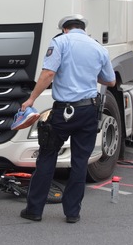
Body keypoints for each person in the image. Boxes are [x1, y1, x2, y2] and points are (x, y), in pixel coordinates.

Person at [18, 14, 116, 223]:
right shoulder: (98, 48)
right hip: (89, 111)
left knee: (47, 155)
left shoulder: (60, 42)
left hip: (64, 112)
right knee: (80, 161)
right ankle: (72, 213)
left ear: (65, 29)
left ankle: (34, 209)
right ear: (83, 29)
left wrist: (31, 99)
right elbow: (111, 80)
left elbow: (48, 74)